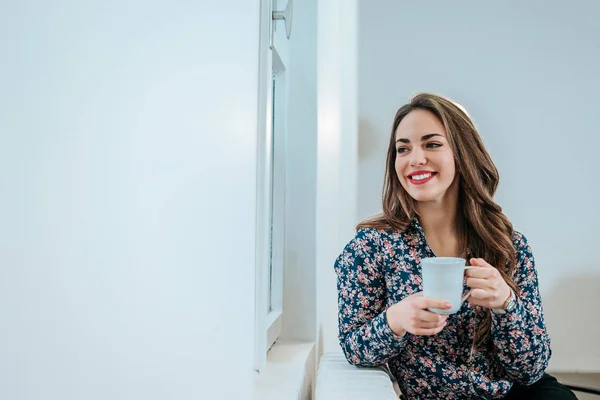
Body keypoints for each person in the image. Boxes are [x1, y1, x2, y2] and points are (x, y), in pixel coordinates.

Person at [334, 93, 576, 399]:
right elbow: (354, 349)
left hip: (509, 393)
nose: (415, 159)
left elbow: (531, 369)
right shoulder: (371, 247)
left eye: (432, 144)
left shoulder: (507, 244)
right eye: (402, 148)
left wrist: (506, 304)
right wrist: (395, 319)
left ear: (462, 155)